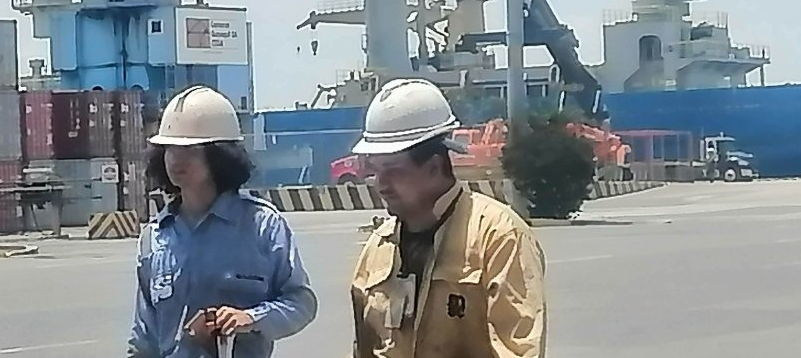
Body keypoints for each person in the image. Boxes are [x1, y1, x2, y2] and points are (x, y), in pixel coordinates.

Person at [349, 79, 547, 357]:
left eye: (393, 170)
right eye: (376, 171)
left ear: (433, 167)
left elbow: (519, 350)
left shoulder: (498, 238)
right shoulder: (376, 250)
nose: (380, 184)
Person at [127, 85, 318, 357]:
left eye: (191, 150)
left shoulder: (262, 226)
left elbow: (301, 302)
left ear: (219, 156)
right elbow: (143, 338)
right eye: (170, 148)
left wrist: (251, 318)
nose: (177, 159)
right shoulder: (155, 237)